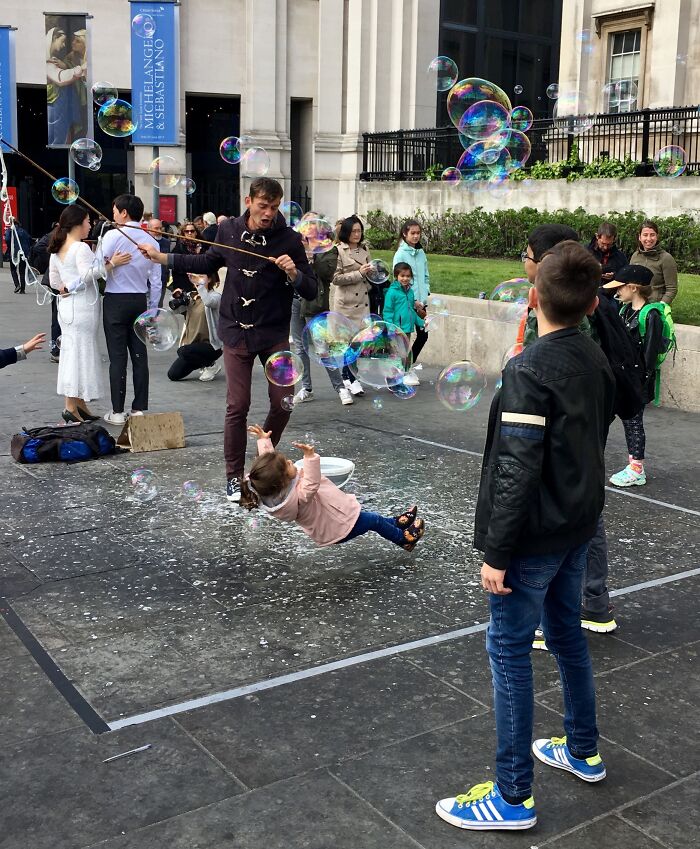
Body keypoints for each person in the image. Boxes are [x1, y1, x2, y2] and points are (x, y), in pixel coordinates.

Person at [435, 241, 615, 832]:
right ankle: (582, 751)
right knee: (566, 635)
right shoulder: (594, 356)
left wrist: (498, 552)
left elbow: (516, 466)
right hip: (577, 525)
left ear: (533, 296)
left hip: (534, 536)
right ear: (592, 303)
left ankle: (513, 796)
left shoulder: (530, 368)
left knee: (509, 651)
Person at [139, 176, 317, 503]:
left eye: (274, 208)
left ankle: (263, 462)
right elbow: (207, 262)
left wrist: (294, 273)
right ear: (249, 201)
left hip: (273, 331)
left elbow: (312, 289)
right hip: (235, 329)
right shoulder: (229, 231)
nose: (268, 213)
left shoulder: (288, 239)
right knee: (238, 404)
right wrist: (161, 258)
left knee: (283, 402)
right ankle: (234, 476)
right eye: (263, 206)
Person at [520, 223, 617, 639]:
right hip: (585, 426)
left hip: (560, 429)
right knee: (585, 512)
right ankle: (592, 604)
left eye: (526, 254)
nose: (522, 261)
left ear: (542, 265)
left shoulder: (561, 312)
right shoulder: (573, 304)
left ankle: (552, 614)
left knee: (562, 514)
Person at [241, 424, 425, 550]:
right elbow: (312, 483)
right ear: (281, 482)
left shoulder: (272, 486)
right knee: (373, 520)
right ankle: (404, 539)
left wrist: (264, 441)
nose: (290, 462)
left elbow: (269, 468)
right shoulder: (299, 496)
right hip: (337, 526)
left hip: (335, 515)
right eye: (287, 465)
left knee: (368, 516)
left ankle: (395, 524)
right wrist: (310, 457)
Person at [48, 206, 119, 423]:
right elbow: (89, 275)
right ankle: (71, 405)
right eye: (88, 221)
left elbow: (53, 281)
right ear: (78, 224)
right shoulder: (80, 248)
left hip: (66, 307)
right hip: (82, 307)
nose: (90, 226)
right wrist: (112, 264)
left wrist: (64, 288)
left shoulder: (58, 248)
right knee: (79, 354)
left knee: (72, 352)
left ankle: (79, 404)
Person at [98, 194, 162, 426]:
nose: (113, 214)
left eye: (115, 210)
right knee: (139, 356)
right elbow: (156, 281)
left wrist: (112, 263)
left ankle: (116, 410)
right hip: (138, 300)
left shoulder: (113, 236)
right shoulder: (150, 240)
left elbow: (98, 268)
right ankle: (138, 408)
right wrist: (153, 309)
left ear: (124, 212)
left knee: (117, 357)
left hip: (115, 299)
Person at [603, 265, 664, 487]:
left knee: (633, 423)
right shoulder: (624, 311)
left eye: (620, 288)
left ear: (633, 288)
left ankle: (637, 469)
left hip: (636, 381)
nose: (616, 292)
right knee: (605, 417)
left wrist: (639, 384)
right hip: (622, 376)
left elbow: (649, 354)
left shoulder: (651, 316)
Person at [297, 239, 353, 406]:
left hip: (313, 301)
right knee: (300, 347)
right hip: (293, 300)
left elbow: (326, 273)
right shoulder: (294, 243)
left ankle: (340, 387)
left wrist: (311, 255)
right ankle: (306, 388)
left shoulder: (329, 250)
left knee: (322, 348)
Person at [331, 215, 374, 398]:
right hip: (346, 305)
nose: (357, 234)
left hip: (362, 304)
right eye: (354, 231)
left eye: (359, 230)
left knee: (358, 343)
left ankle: (348, 376)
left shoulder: (365, 250)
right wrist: (358, 273)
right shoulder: (338, 251)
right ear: (347, 232)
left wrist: (374, 273)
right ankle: (351, 378)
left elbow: (370, 276)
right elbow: (335, 278)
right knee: (349, 344)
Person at [392, 219, 430, 384]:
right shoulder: (400, 254)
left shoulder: (421, 253)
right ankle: (403, 369)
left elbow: (426, 275)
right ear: (404, 234)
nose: (416, 236)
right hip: (408, 302)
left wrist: (426, 293)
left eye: (418, 233)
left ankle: (406, 366)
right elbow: (398, 279)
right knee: (405, 337)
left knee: (423, 335)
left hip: (422, 303)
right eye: (412, 233)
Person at [167, 273, 223, 382]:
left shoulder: (216, 297)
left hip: (211, 346)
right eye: (196, 276)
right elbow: (172, 311)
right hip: (192, 347)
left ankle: (210, 365)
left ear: (210, 279)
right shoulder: (191, 297)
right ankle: (203, 363)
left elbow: (208, 302)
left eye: (201, 276)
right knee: (173, 375)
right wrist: (175, 297)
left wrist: (200, 285)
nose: (198, 279)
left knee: (183, 351)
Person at [382, 262, 425, 384]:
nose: (405, 278)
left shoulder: (410, 292)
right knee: (397, 354)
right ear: (396, 276)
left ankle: (401, 376)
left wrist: (421, 322)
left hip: (407, 329)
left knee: (405, 353)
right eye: (402, 276)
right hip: (396, 329)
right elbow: (388, 312)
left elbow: (411, 311)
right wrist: (391, 327)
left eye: (408, 276)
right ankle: (392, 378)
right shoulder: (392, 292)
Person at [630, 219, 679, 305]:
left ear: (657, 236)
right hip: (635, 304)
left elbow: (672, 289)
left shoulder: (666, 258)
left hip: (655, 305)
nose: (648, 239)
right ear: (639, 237)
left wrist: (660, 306)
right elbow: (629, 281)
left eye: (652, 235)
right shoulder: (635, 256)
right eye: (645, 235)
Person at [587, 221, 627, 285]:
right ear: (597, 236)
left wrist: (614, 276)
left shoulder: (620, 257)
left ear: (614, 239)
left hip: (610, 293)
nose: (605, 247)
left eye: (609, 244)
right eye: (603, 243)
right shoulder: (584, 252)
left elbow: (626, 277)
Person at [146, 218, 171, 307]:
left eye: (161, 228)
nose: (159, 231)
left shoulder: (166, 242)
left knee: (158, 308)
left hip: (162, 280)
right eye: (156, 228)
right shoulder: (145, 241)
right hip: (147, 281)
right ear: (148, 228)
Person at [171, 222, 202, 293]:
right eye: (187, 231)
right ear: (183, 233)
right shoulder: (179, 247)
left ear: (196, 233)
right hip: (184, 284)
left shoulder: (202, 246)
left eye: (192, 231)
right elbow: (175, 266)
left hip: (200, 284)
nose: (190, 233)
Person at [3, 220, 32, 294]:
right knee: (22, 271)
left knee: (13, 269)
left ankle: (17, 285)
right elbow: (29, 240)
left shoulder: (10, 230)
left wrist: (10, 245)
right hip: (23, 253)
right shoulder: (24, 231)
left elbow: (7, 239)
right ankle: (23, 289)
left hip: (14, 252)